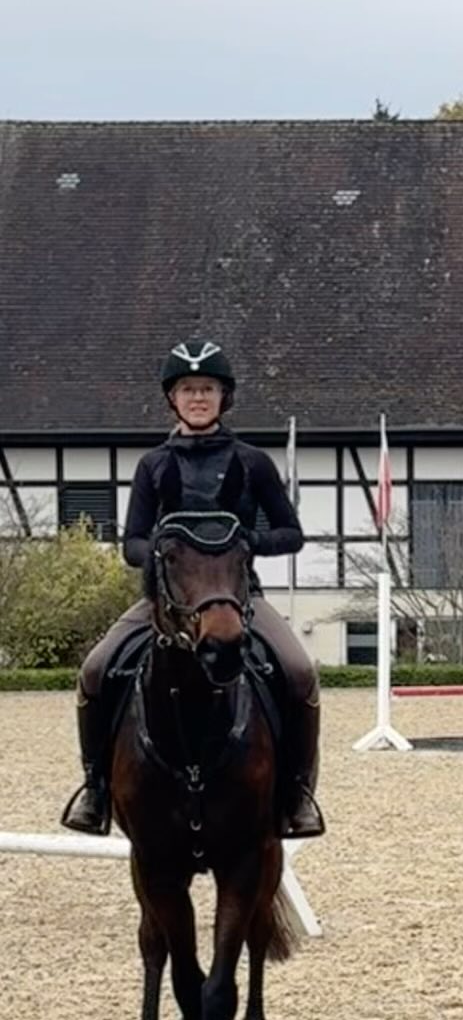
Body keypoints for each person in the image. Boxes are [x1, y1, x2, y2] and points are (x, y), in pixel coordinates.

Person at [61, 341, 324, 839]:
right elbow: (132, 544)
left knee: (298, 672)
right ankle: (95, 788)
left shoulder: (253, 463)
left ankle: (296, 794)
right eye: (188, 389)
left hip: (238, 596)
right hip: (168, 600)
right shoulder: (153, 466)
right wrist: (164, 550)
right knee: (95, 669)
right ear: (172, 399)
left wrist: (248, 542)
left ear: (224, 397)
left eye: (207, 389)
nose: (197, 397)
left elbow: (291, 533)